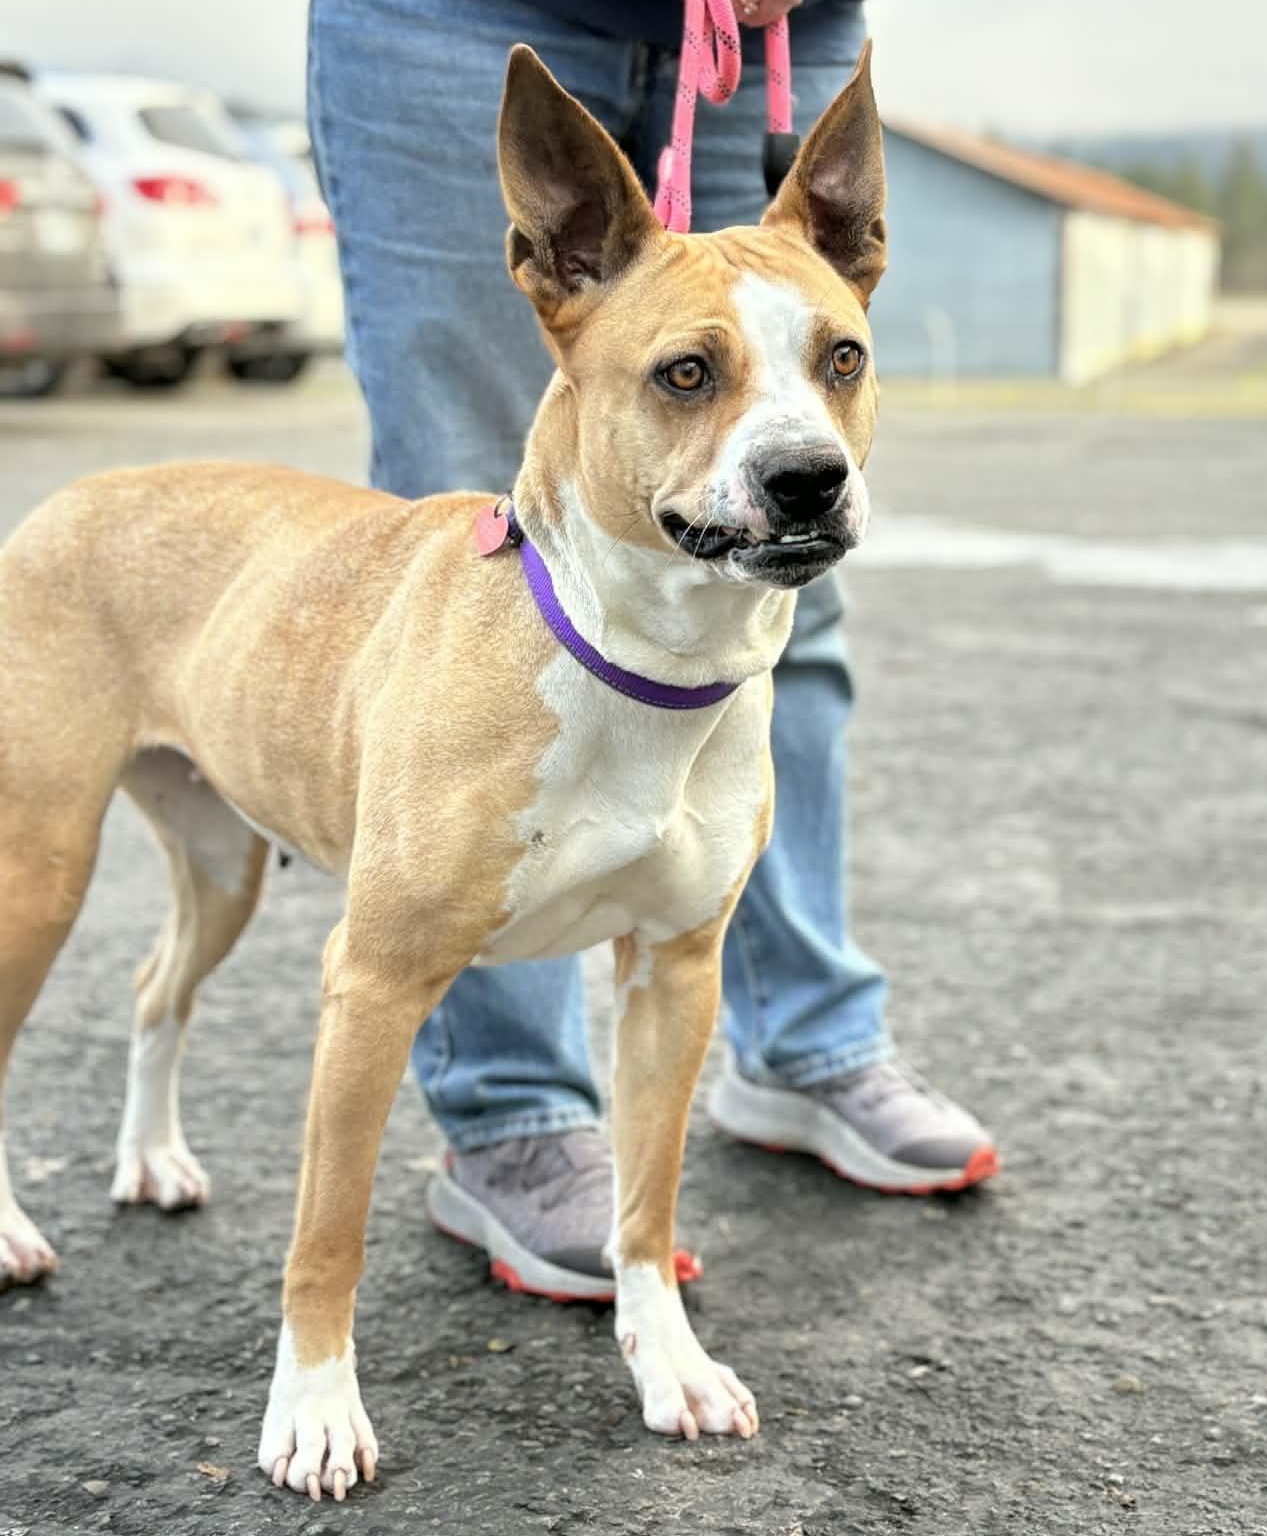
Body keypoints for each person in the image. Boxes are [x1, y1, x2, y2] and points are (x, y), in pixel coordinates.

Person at [306, 0, 998, 1301]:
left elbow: (795, 409)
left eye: (850, 364)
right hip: (456, 23)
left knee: (779, 563)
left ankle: (803, 1037)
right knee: (479, 524)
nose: (823, 431)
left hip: (768, 34)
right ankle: (516, 1113)